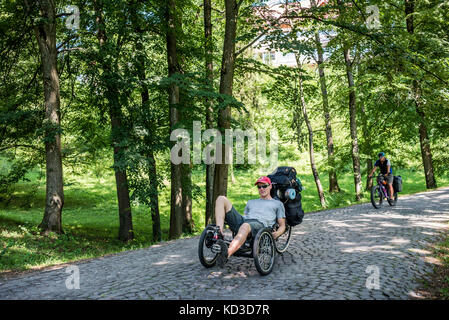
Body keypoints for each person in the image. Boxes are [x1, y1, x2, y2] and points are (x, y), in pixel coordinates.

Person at [213, 176, 286, 267]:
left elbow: (282, 225)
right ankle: (218, 232)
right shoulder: (251, 202)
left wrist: (278, 233)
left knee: (245, 226)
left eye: (264, 186)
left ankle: (226, 254)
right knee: (221, 198)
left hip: (260, 225)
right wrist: (233, 224)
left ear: (270, 186)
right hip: (245, 221)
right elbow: (245, 216)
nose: (261, 189)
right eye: (259, 187)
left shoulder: (277, 204)